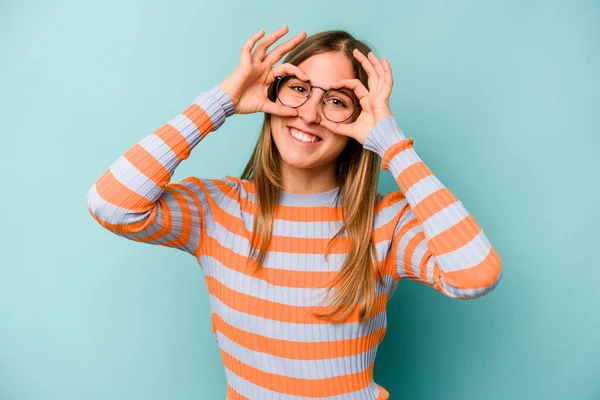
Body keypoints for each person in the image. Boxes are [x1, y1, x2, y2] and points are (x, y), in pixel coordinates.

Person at [86, 25, 502, 400]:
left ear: (358, 123)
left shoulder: (384, 224)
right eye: (299, 89)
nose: (308, 113)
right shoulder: (217, 209)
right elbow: (112, 204)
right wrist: (221, 102)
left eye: (336, 101)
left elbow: (475, 275)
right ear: (274, 92)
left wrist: (390, 143)